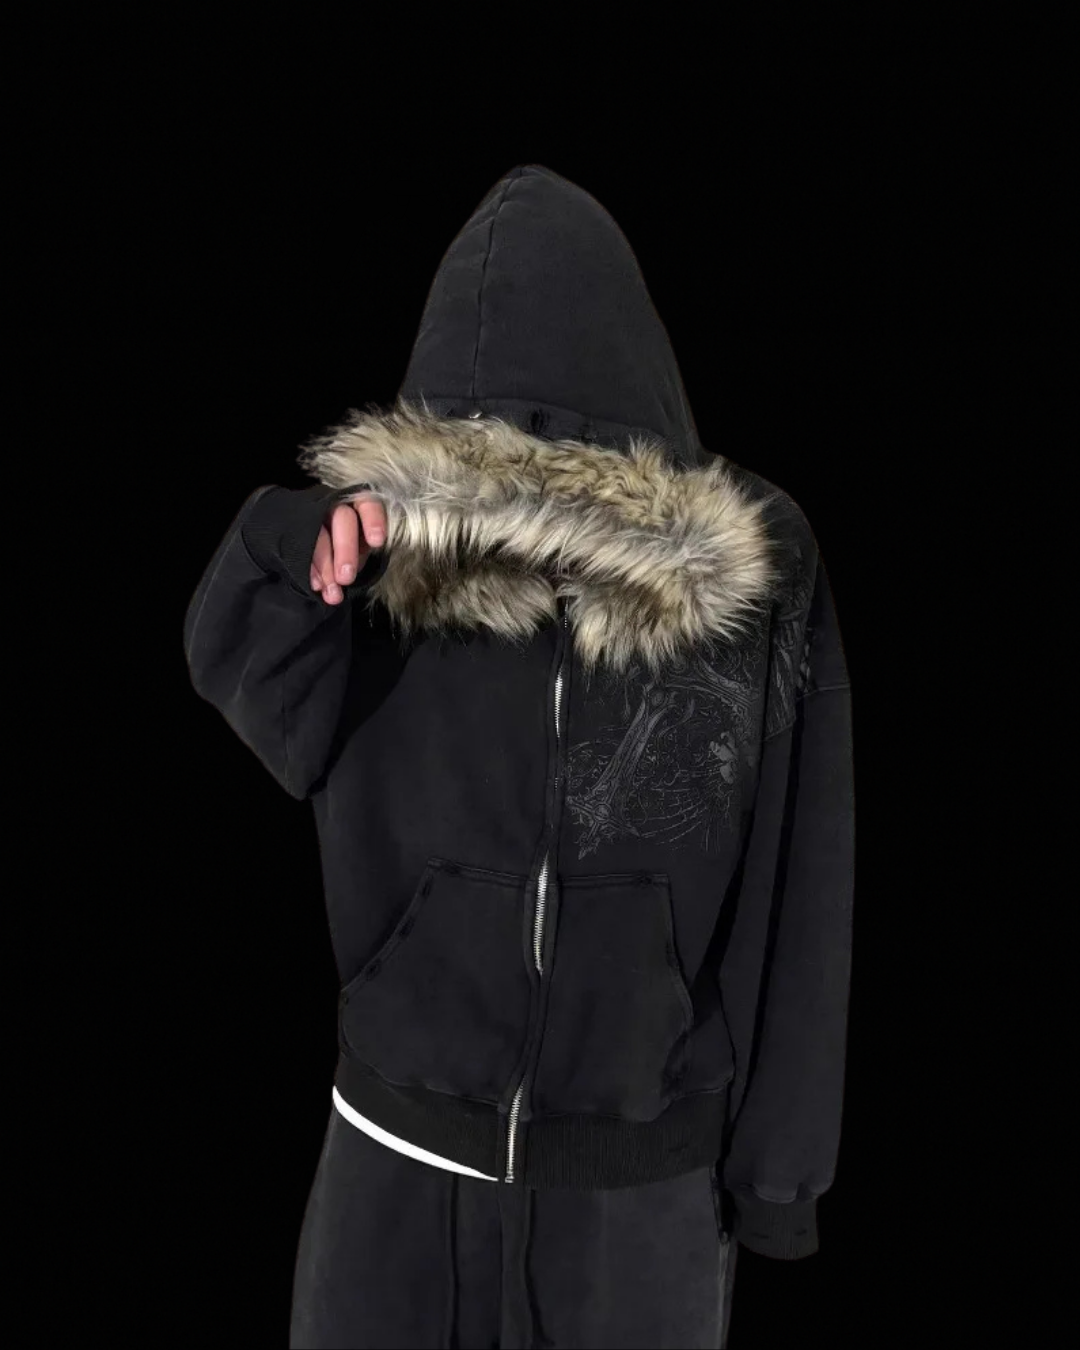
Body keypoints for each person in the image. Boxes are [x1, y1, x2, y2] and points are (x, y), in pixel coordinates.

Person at [183, 163, 855, 1350]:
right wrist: (281, 546)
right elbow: (243, 675)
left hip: (639, 1207)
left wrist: (778, 1179)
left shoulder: (756, 575)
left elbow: (802, 885)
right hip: (390, 1178)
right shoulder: (384, 554)